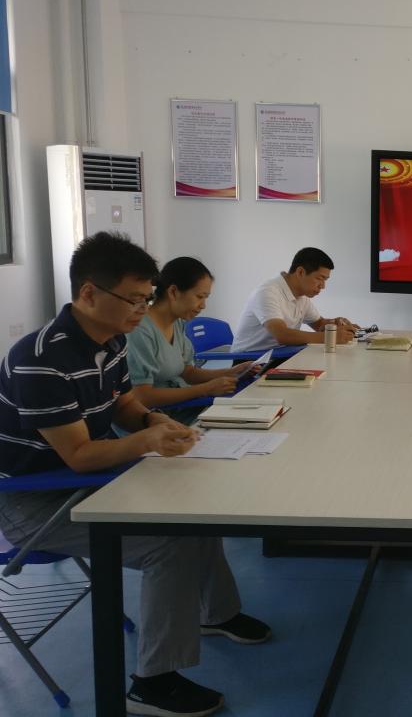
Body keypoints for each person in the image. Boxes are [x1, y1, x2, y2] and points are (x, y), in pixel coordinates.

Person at [0, 232, 269, 717]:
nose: (143, 310)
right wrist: (147, 441)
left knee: (197, 511)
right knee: (170, 544)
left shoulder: (112, 340)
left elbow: (125, 404)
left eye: (147, 298)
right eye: (134, 299)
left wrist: (153, 421)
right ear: (88, 293)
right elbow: (79, 456)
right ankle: (152, 683)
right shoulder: (40, 360)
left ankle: (218, 613)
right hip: (35, 501)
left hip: (87, 479)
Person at [127, 257, 254, 425]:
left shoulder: (177, 323)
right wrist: (205, 389)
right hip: (157, 420)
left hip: (185, 407)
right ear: (173, 292)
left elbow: (188, 372)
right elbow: (142, 396)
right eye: (200, 296)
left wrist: (231, 372)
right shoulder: (140, 330)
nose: (203, 305)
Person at [231, 247, 358, 352]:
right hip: (251, 361)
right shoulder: (267, 292)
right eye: (319, 278)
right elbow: (282, 335)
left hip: (280, 355)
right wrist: (330, 337)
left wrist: (335, 324)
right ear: (300, 272)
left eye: (325, 280)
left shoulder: (302, 296)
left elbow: (319, 324)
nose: (323, 286)